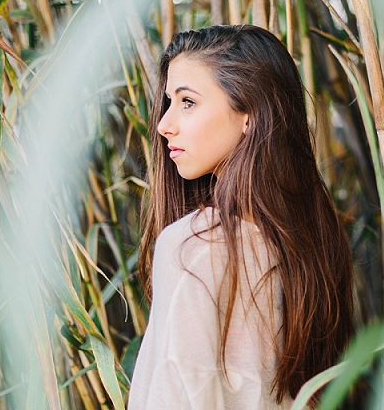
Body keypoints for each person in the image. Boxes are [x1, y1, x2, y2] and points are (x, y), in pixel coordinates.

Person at [130, 25, 354, 409]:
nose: (164, 124)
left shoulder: (192, 247)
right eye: (169, 102)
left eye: (187, 102)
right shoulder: (314, 244)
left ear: (248, 113)